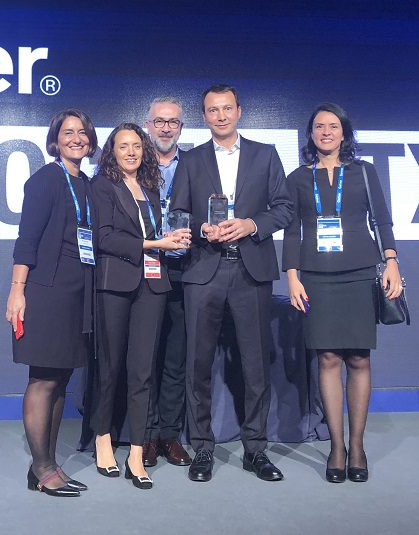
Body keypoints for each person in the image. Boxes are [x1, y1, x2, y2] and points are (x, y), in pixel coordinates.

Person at [170, 84, 294, 483]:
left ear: (239, 111)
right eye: (212, 110)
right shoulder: (191, 160)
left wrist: (251, 224)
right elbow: (177, 212)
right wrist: (200, 228)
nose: (220, 116)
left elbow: (285, 208)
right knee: (198, 364)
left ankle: (255, 449)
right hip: (203, 271)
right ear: (204, 116)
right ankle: (202, 447)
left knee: (255, 364)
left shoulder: (265, 154)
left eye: (226, 108)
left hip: (250, 269)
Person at [283, 102, 402, 483]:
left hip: (359, 272)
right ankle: (337, 447)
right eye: (319, 126)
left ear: (344, 133)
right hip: (316, 275)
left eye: (333, 126)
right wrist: (292, 276)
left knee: (359, 359)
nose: (326, 132)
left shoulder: (364, 172)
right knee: (328, 358)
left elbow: (382, 220)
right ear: (310, 134)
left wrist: (392, 261)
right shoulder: (297, 178)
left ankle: (358, 446)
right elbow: (292, 231)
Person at [89, 123, 191, 490]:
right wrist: (154, 245)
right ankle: (103, 438)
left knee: (142, 372)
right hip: (115, 285)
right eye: (123, 146)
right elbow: (105, 239)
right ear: (112, 152)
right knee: (110, 368)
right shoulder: (102, 186)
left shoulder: (150, 187)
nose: (131, 152)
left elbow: (148, 234)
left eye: (136, 146)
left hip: (152, 286)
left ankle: (136, 450)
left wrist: (167, 240)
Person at [6, 109, 98, 497]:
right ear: (55, 140)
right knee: (43, 380)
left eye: (82, 132)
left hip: (77, 294)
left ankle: (47, 464)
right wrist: (17, 290)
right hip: (46, 292)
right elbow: (27, 240)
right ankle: (42, 467)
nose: (76, 138)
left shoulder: (88, 184)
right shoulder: (45, 180)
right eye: (67, 132)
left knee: (61, 381)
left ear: (90, 140)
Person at [140, 97, 193, 468]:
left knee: (175, 359)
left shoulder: (195, 164)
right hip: (143, 270)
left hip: (183, 270)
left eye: (172, 122)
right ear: (148, 125)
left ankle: (169, 435)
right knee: (145, 359)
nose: (165, 128)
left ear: (181, 128)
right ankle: (144, 434)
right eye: (159, 121)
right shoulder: (132, 163)